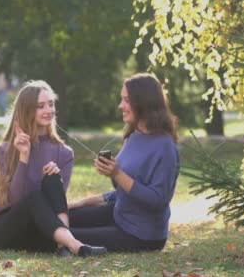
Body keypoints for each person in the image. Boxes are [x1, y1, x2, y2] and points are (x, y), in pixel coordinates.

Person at [0, 80, 107, 257]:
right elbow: (16, 200)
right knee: (34, 196)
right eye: (40, 106)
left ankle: (62, 246)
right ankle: (74, 245)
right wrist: (24, 157)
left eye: (51, 104)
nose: (48, 110)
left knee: (52, 177)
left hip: (40, 233)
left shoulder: (64, 153)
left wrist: (52, 180)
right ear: (27, 110)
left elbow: (57, 207)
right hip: (6, 232)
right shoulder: (6, 149)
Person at [68, 73, 180, 252]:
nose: (121, 106)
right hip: (118, 214)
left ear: (143, 103)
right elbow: (122, 190)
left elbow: (158, 200)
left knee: (63, 234)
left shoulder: (165, 147)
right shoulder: (133, 136)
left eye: (127, 100)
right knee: (62, 218)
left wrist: (117, 174)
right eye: (122, 99)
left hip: (141, 234)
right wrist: (82, 202)